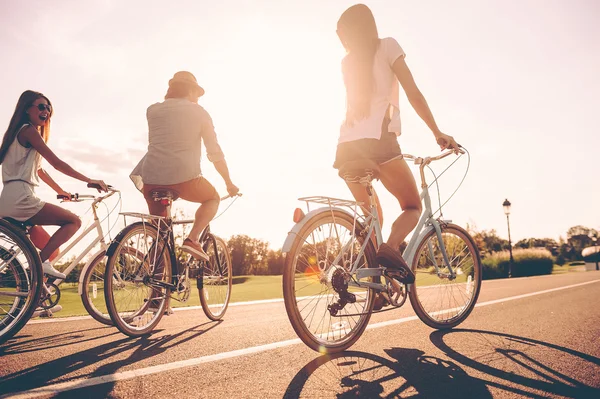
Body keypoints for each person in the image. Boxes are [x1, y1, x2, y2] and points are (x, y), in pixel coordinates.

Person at [334, 4, 459, 284]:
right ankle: (390, 249)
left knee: (371, 219)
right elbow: (413, 92)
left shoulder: (347, 63)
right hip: (379, 144)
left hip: (346, 150)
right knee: (412, 206)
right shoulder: (388, 46)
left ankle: (377, 285)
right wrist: (437, 132)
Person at [130, 71, 239, 261]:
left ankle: (157, 288)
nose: (197, 98)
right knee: (212, 198)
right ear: (190, 90)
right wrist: (228, 182)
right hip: (184, 178)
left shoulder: (153, 110)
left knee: (160, 237)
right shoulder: (199, 112)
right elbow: (214, 152)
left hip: (151, 178)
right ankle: (193, 239)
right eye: (197, 93)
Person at [0, 90, 108, 279]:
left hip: (8, 198)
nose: (46, 111)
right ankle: (36, 267)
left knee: (51, 252)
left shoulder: (15, 135)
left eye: (49, 108)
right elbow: (56, 163)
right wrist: (89, 180)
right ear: (27, 109)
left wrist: (60, 191)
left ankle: (36, 298)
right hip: (21, 197)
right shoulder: (28, 130)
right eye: (41, 106)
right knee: (74, 221)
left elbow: (40, 170)